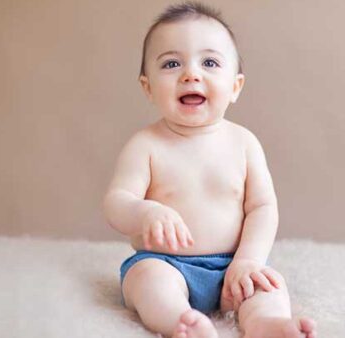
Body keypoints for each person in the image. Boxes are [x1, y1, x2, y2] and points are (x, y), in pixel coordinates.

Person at [103, 2, 316, 337]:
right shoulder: (145, 145)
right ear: (148, 87)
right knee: (147, 280)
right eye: (172, 63)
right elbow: (116, 202)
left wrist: (248, 260)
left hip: (233, 267)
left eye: (210, 62)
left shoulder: (244, 143)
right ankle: (180, 321)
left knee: (268, 286)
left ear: (235, 86)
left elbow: (262, 208)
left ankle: (265, 323)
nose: (191, 74)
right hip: (166, 263)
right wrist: (144, 212)